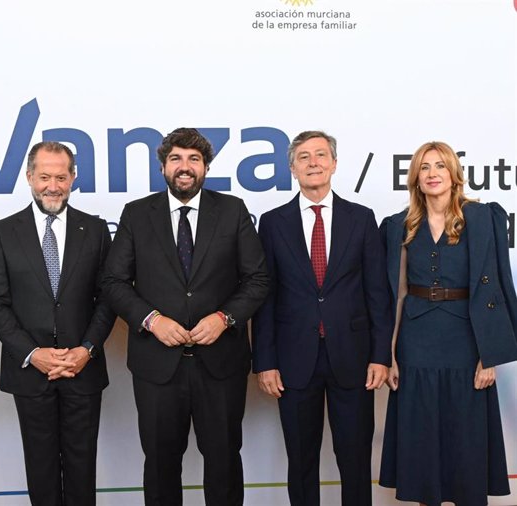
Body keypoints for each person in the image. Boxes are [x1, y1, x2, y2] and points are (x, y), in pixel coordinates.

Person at [102, 127, 269, 506]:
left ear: (206, 167)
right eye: (176, 159)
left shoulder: (232, 210)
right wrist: (151, 320)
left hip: (221, 364)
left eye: (194, 159)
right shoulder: (136, 214)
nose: (185, 167)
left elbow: (258, 279)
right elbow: (113, 282)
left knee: (224, 463)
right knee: (161, 466)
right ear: (163, 166)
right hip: (158, 367)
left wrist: (225, 318)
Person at [252, 130, 393, 506]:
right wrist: (265, 361)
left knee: (355, 460)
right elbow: (265, 297)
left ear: (333, 163)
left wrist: (381, 355)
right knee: (301, 460)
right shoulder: (272, 222)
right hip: (294, 361)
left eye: (320, 155)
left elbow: (378, 294)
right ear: (292, 169)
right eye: (303, 157)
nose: (313, 162)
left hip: (354, 358)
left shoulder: (361, 219)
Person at [378, 141, 517, 505]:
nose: (433, 173)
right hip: (416, 342)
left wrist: (490, 355)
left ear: (454, 174)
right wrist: (389, 354)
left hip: (466, 342)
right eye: (425, 167)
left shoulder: (484, 218)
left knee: (465, 443)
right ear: (416, 178)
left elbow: (499, 283)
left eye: (440, 166)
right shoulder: (398, 226)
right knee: (422, 446)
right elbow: (398, 293)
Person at [0, 141, 115, 506]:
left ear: (73, 178)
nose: (52, 186)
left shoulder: (96, 230)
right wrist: (31, 352)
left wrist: (86, 349)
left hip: (82, 370)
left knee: (81, 467)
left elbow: (108, 298)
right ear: (29, 177)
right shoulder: (3, 231)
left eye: (60, 177)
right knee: (40, 470)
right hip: (30, 371)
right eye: (44, 177)